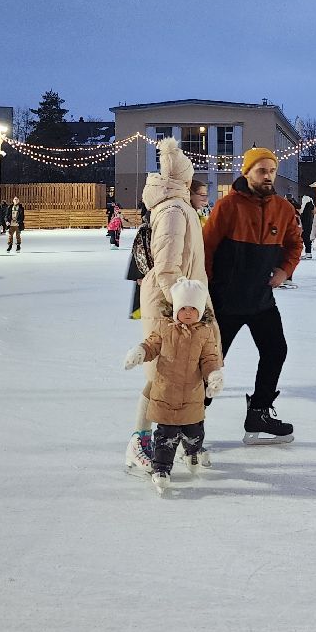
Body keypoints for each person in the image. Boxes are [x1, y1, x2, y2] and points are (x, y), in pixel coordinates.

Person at [202, 147, 302, 444]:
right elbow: (206, 249)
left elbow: (295, 244)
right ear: (246, 173)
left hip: (261, 301)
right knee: (210, 363)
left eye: (271, 170)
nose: (268, 175)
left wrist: (285, 270)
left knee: (276, 351)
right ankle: (190, 420)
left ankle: (258, 412)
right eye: (261, 170)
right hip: (225, 302)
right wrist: (205, 293)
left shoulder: (283, 209)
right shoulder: (227, 206)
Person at [127, 137, 212, 476]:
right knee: (161, 377)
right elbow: (166, 269)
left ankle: (170, 438)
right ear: (182, 179)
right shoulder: (175, 211)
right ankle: (141, 439)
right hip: (169, 305)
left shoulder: (178, 208)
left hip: (177, 301)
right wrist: (185, 308)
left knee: (175, 376)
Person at [123, 277, 224, 494]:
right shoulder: (164, 329)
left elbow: (209, 359)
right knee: (165, 437)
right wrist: (140, 351)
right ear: (175, 308)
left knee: (194, 431)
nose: (188, 313)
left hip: (192, 395)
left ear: (200, 310)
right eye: (183, 308)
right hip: (165, 394)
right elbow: (151, 345)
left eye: (193, 309)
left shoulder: (205, 333)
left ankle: (193, 452)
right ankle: (161, 469)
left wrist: (214, 375)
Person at [299, 195, 316, 260]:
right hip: (310, 226)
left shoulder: (305, 208)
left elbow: (302, 216)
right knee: (308, 241)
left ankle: (306, 253)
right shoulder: (311, 207)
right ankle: (308, 253)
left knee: (303, 240)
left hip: (305, 227)